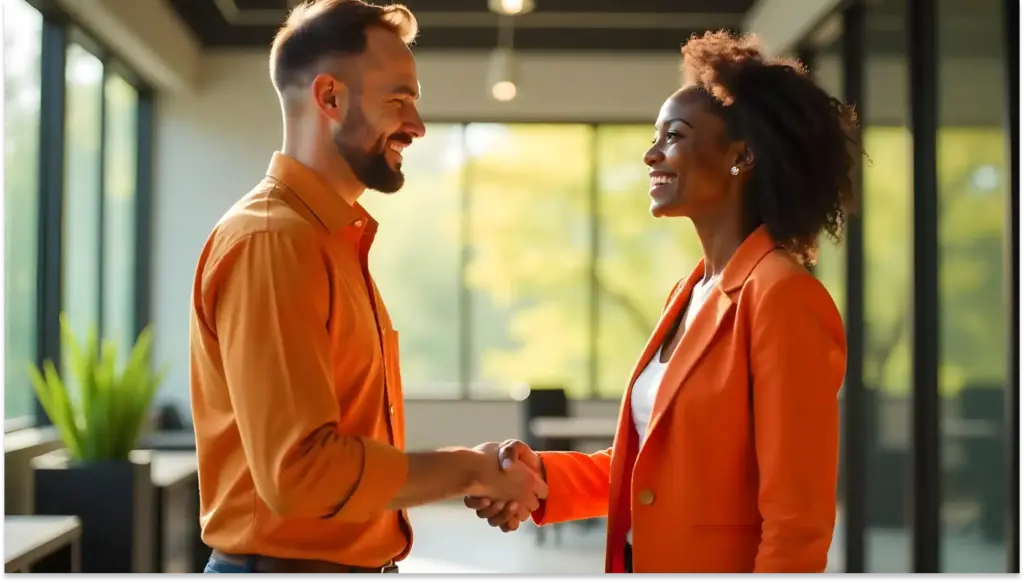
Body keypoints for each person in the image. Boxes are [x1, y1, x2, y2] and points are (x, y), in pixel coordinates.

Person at [465, 30, 860, 574]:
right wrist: (540, 480)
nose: (651, 154)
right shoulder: (691, 292)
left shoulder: (783, 297)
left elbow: (797, 520)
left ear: (741, 156)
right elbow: (650, 474)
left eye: (672, 137)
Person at [189, 0, 544, 575]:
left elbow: (342, 456)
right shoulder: (272, 241)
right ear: (329, 97)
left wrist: (480, 469)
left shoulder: (333, 241)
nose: (417, 124)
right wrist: (470, 470)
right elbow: (301, 474)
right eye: (397, 99)